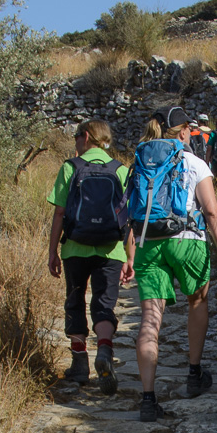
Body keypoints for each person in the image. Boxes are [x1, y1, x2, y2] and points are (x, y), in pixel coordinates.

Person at [121, 106, 217, 422]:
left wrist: (130, 255)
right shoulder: (194, 163)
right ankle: (194, 373)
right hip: (188, 242)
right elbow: (212, 213)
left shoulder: (140, 163)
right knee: (197, 301)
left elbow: (133, 214)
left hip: (148, 244)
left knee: (150, 318)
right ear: (184, 131)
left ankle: (148, 399)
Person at [47, 119, 130, 393]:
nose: (76, 142)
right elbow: (128, 218)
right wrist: (129, 256)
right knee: (104, 304)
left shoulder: (70, 168)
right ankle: (104, 351)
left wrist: (52, 251)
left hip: (75, 247)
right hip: (111, 249)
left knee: (75, 301)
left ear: (85, 136)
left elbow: (59, 212)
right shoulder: (120, 170)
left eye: (76, 137)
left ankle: (79, 364)